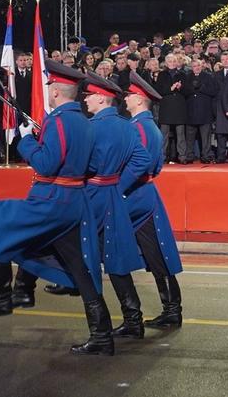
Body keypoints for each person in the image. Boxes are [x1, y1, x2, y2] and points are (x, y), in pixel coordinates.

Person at [0, 61, 114, 356]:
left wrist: (26, 141)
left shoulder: (59, 121)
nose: (47, 91)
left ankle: (6, 295)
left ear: (57, 92)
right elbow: (92, 165)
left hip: (52, 203)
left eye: (49, 87)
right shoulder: (84, 122)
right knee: (80, 269)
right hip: (72, 203)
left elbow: (46, 164)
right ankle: (101, 334)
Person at [82, 71, 151, 338]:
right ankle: (133, 320)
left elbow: (81, 163)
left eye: (89, 96)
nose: (85, 100)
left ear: (101, 99)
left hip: (91, 196)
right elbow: (141, 160)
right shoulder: (126, 125)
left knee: (84, 260)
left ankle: (100, 331)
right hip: (112, 194)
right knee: (116, 260)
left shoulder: (91, 127)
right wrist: (118, 184)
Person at [123, 71, 184, 329]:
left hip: (137, 195)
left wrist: (117, 187)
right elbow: (155, 166)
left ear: (138, 99)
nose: (125, 98)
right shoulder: (147, 127)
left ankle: (171, 310)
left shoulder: (140, 128)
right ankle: (170, 309)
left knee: (157, 255)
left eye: (129, 95)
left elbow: (142, 164)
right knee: (156, 253)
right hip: (143, 192)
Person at [154, 54, 190, 163]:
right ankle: (162, 157)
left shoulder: (182, 74)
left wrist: (181, 88)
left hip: (179, 108)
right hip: (166, 108)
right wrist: (171, 88)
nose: (172, 63)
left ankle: (182, 157)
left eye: (174, 61)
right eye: (170, 61)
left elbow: (188, 91)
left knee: (181, 135)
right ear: (166, 62)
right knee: (164, 135)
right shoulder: (161, 74)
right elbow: (158, 91)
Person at [184, 58, 218, 163]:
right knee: (189, 137)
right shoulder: (187, 77)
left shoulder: (208, 77)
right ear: (191, 67)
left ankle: (206, 156)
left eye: (198, 66)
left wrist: (201, 87)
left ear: (201, 66)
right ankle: (189, 156)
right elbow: (184, 92)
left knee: (206, 137)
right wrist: (192, 89)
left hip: (205, 111)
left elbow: (214, 91)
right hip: (190, 112)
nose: (197, 68)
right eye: (194, 66)